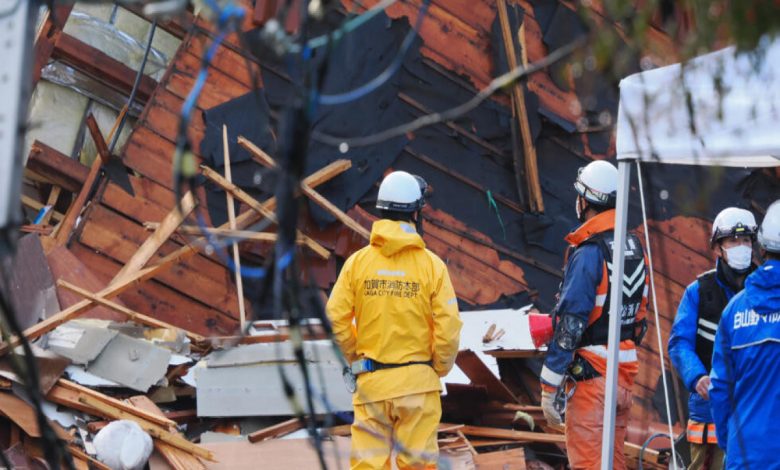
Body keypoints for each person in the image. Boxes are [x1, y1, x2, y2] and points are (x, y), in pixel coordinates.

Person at [326, 170, 462, 470]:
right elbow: (448, 328)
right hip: (418, 387)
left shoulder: (357, 264)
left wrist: (357, 359)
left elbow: (335, 320)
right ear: (415, 212)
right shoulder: (433, 267)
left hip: (372, 386)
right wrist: (438, 367)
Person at [539, 160, 649, 470]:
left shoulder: (589, 251)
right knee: (612, 463)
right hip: (624, 374)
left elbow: (571, 323)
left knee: (588, 465)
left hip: (591, 380)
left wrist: (550, 386)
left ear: (586, 201)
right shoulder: (635, 247)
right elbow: (641, 318)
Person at [668, 207, 758, 470]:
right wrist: (697, 377)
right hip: (708, 408)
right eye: (733, 240)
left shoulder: (765, 292)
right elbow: (679, 342)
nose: (741, 247)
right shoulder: (698, 292)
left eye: (746, 240)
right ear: (718, 247)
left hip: (753, 407)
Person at [710, 199, 780, 470]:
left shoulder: (733, 311)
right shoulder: (705, 294)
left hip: (745, 454)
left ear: (760, 248)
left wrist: (733, 446)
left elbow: (720, 390)